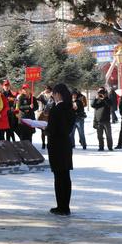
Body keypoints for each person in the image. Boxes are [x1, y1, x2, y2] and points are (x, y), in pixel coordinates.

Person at [45, 84, 75, 216]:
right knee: (66, 176)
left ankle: (60, 206)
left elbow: (52, 129)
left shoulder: (56, 109)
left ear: (58, 94)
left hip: (56, 145)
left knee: (58, 176)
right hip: (66, 145)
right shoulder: (70, 108)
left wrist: (45, 129)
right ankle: (66, 206)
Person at [92, 87, 113, 151]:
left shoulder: (107, 99)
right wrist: (96, 99)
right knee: (99, 136)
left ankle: (110, 147)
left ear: (105, 93)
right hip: (98, 121)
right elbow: (92, 105)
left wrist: (105, 98)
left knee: (108, 135)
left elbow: (110, 104)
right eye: (99, 93)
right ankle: (101, 147)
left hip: (106, 121)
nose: (101, 94)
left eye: (102, 92)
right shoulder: (97, 100)